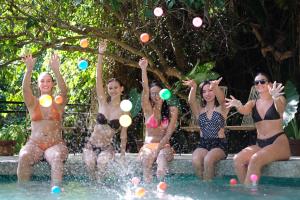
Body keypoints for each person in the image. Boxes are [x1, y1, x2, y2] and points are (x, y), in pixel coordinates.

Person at [225, 72, 290, 185]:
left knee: (255, 159)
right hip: (261, 144)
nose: (259, 84)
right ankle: (248, 192)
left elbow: (280, 109)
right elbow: (244, 111)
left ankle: (248, 193)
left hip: (278, 143)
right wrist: (238, 105)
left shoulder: (278, 99)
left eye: (262, 81)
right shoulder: (253, 103)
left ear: (269, 83)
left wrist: (275, 97)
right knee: (237, 159)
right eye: (256, 82)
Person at [18, 53, 68, 187]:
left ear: (52, 84)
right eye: (42, 81)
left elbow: (64, 91)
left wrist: (56, 70)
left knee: (56, 157)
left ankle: (55, 193)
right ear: (39, 85)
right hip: (35, 144)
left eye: (48, 81)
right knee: (24, 156)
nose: (45, 83)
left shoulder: (58, 102)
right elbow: (25, 89)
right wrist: (29, 70)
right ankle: (22, 193)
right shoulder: (33, 102)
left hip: (55, 144)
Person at [82, 41, 128, 180]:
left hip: (107, 148)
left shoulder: (124, 111)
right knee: (90, 163)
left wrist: (122, 155)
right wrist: (100, 54)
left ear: (121, 89)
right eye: (110, 88)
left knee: (101, 164)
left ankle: (100, 188)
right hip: (91, 145)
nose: (113, 90)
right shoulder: (103, 102)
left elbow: (123, 135)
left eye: (115, 87)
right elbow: (98, 78)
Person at [138, 58, 178, 182]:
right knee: (146, 160)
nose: (155, 96)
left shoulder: (172, 110)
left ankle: (161, 190)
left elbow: (168, 134)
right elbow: (145, 89)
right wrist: (143, 69)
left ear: (164, 94)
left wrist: (158, 150)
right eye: (153, 94)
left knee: (161, 159)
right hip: (147, 146)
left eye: (158, 93)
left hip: (164, 145)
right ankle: (147, 190)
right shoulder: (147, 109)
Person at [183, 78, 229, 180]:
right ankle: (203, 184)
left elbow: (222, 100)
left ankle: (209, 187)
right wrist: (193, 87)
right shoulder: (200, 111)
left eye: (210, 90)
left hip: (219, 144)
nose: (207, 94)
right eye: (204, 91)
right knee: (196, 159)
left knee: (208, 159)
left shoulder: (222, 109)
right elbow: (191, 101)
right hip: (203, 143)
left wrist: (215, 87)